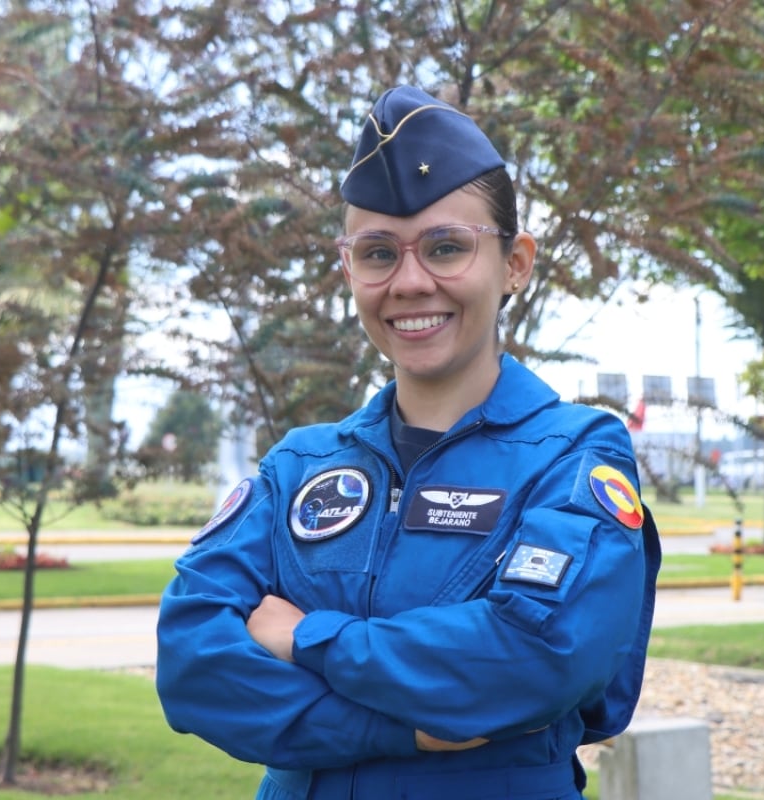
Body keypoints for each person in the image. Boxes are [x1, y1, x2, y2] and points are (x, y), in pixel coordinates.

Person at [155, 84, 661, 800]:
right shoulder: (298, 466)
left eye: (447, 247)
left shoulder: (573, 458)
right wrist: (401, 729)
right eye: (378, 252)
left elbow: (531, 657)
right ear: (348, 269)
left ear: (515, 262)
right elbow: (191, 663)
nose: (411, 282)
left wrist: (306, 638)